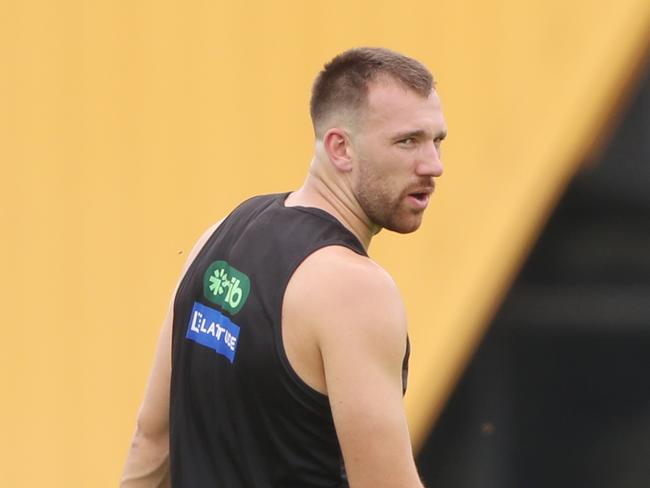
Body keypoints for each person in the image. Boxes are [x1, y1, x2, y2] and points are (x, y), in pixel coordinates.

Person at [121, 46, 447, 488]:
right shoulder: (353, 288)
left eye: (437, 140)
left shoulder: (222, 233)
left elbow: (151, 441)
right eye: (408, 141)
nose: (434, 166)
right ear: (340, 148)